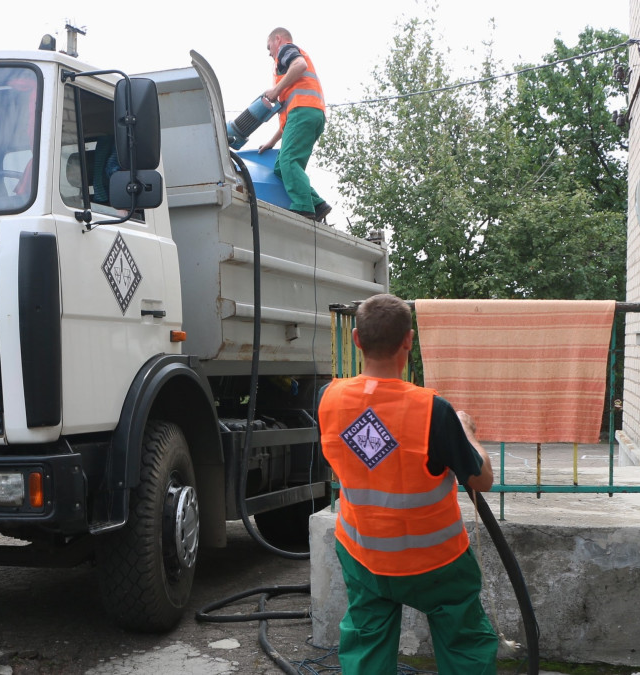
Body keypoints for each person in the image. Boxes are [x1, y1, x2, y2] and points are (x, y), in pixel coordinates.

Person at [318, 293, 499, 674]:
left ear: (356, 339)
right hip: (436, 563)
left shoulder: (329, 398)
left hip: (363, 554)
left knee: (366, 642)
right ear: (408, 340)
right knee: (464, 643)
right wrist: (466, 431)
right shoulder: (434, 410)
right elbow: (482, 480)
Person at [258, 27, 332, 223]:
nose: (269, 53)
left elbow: (299, 65)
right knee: (280, 168)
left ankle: (303, 207)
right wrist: (272, 142)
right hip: (310, 115)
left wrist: (276, 90)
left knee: (289, 161)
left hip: (304, 112)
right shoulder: (289, 78)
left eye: (269, 47)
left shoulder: (286, 49)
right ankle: (317, 204)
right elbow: (289, 120)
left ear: (278, 39)